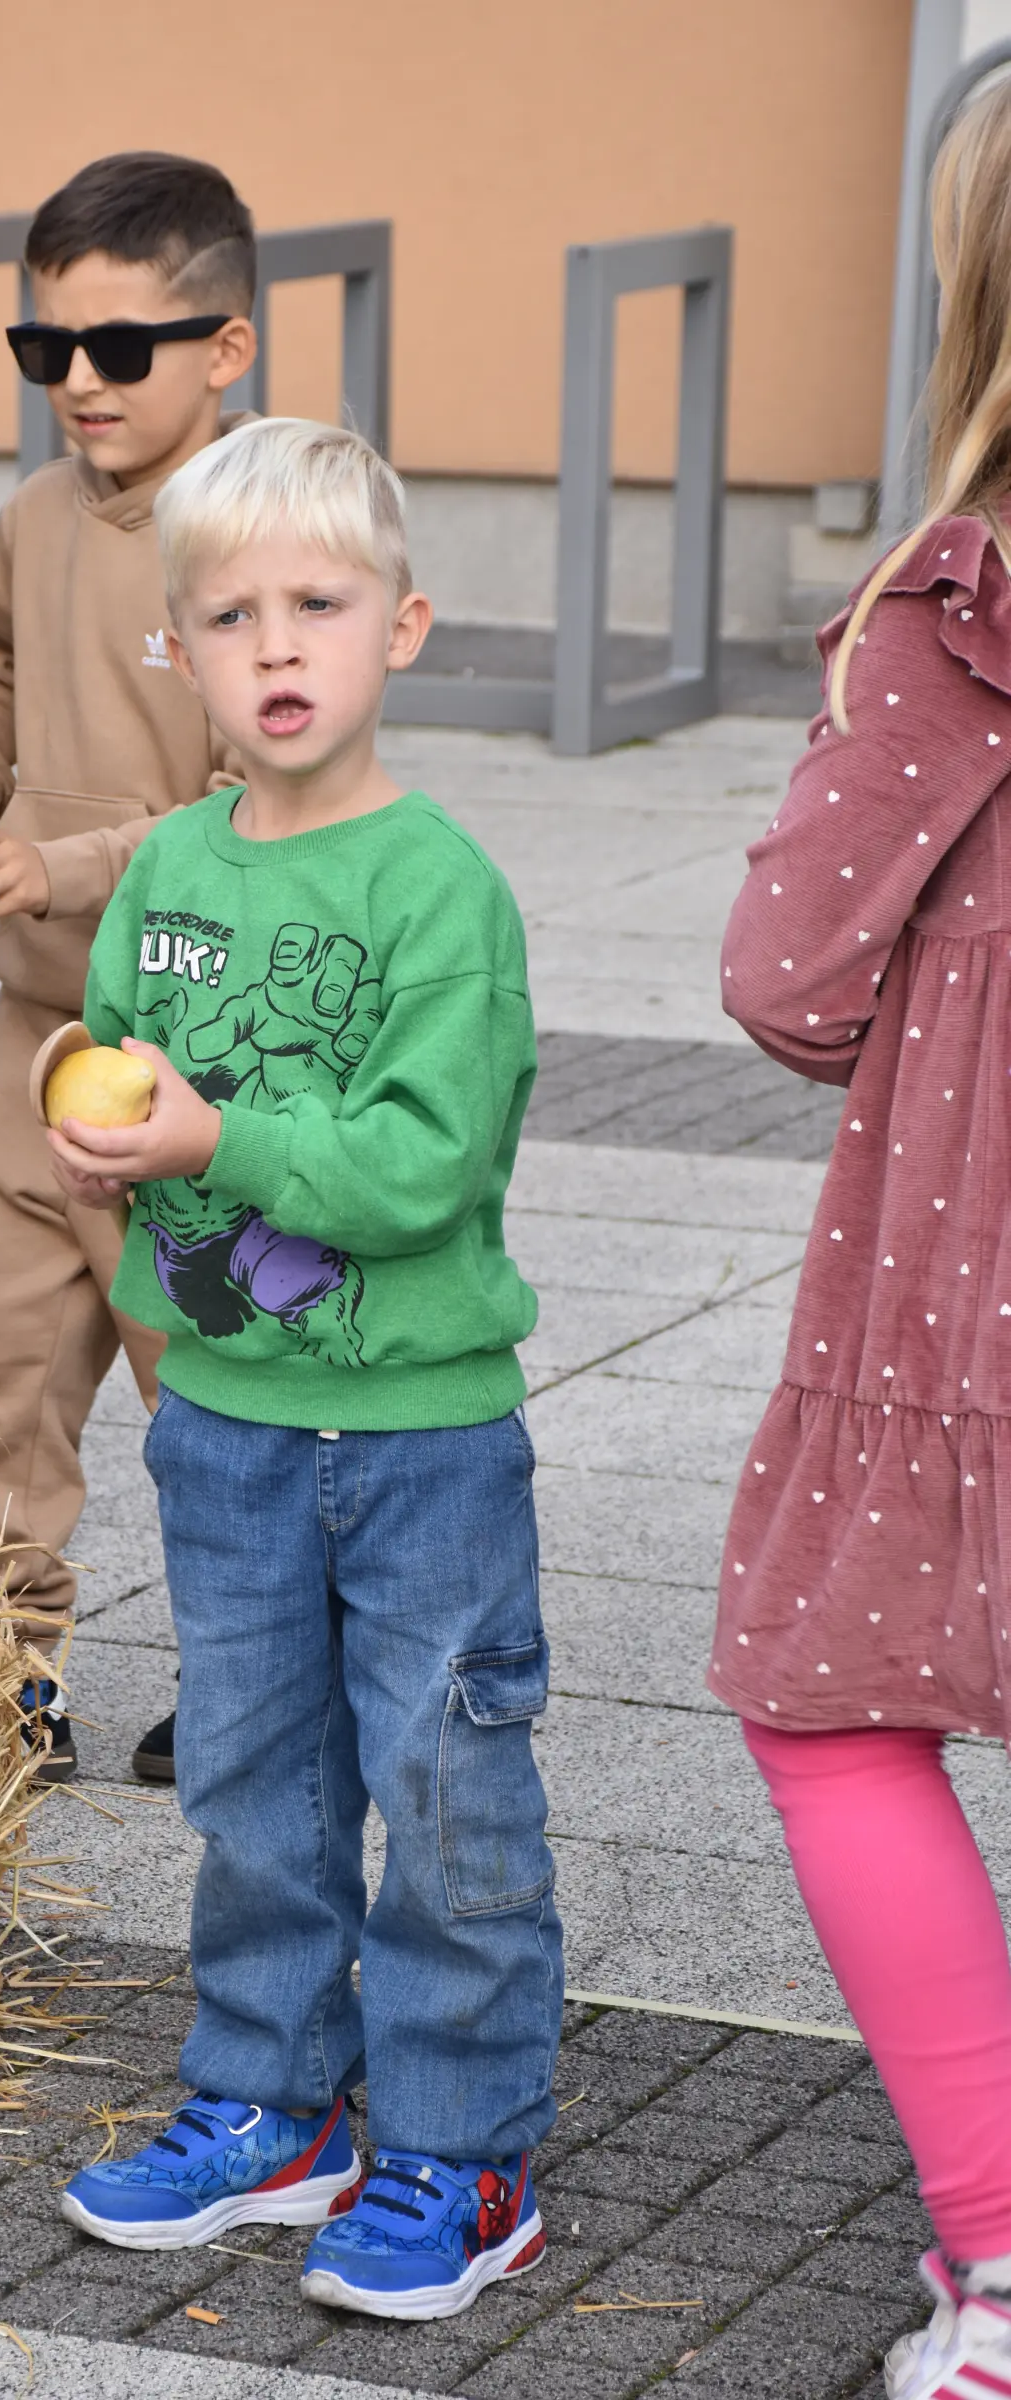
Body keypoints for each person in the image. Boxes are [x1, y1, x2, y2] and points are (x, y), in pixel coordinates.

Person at [47, 418, 561, 2320]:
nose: (278, 647)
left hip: (421, 1439)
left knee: (442, 1794)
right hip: (233, 1428)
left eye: (319, 608)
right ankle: (275, 2107)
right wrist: (104, 1146)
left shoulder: (442, 894)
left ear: (401, 629)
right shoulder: (170, 865)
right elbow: (110, 1062)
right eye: (231, 614)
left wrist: (211, 1147)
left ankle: (466, 2145)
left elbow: (424, 1175)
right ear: (176, 650)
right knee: (254, 1785)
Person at [709, 74, 1011, 2400]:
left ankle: (1001, 2272)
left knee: (827, 1708)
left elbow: (784, 982)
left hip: (963, 1286)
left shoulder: (949, 612)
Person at [0, 152, 257, 1782]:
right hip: (36, 1022)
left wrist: (63, 863)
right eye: (46, 351)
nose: (81, 384)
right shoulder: (36, 515)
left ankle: (251, 1672)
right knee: (4, 1359)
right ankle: (10, 1667)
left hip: (208, 1056)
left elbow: (255, 801)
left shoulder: (265, 531)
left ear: (228, 347)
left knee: (210, 1379)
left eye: (123, 348)